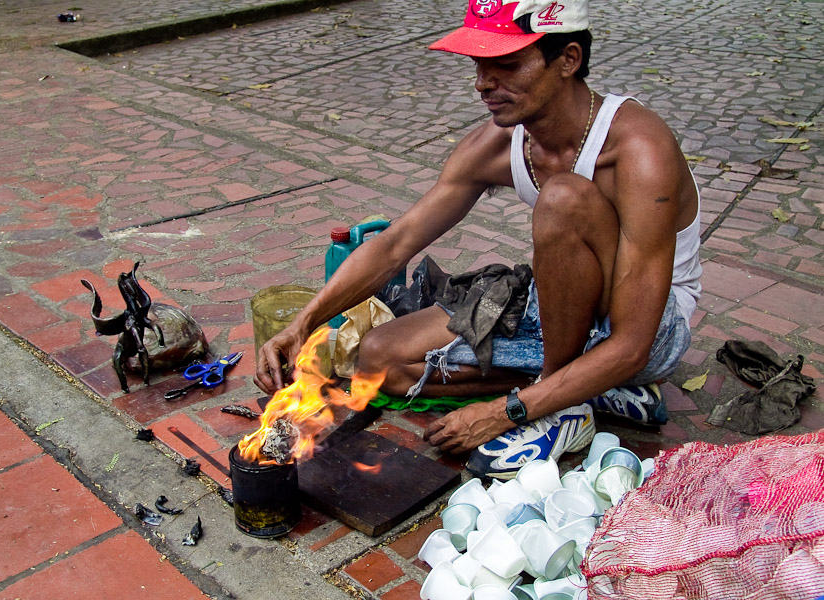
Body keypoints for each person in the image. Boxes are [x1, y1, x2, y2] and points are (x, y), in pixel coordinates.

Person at [255, 0, 701, 479]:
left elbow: (634, 343)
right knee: (380, 359)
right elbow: (395, 244)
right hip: (566, 308)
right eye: (478, 64)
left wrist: (503, 412)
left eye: (506, 64)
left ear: (568, 59)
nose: (483, 83)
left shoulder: (638, 148)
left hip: (647, 328)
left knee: (564, 199)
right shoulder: (497, 143)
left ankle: (558, 406)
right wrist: (305, 323)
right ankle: (593, 388)